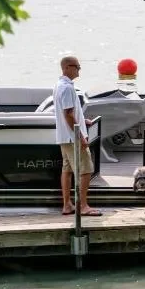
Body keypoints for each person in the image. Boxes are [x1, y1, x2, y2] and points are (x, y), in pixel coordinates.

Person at [54, 56, 100, 216]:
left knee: (67, 170)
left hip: (64, 137)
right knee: (85, 170)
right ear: (66, 67)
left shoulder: (59, 85)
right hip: (72, 137)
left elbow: (68, 112)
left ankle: (67, 204)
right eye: (77, 66)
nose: (79, 69)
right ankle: (83, 206)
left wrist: (82, 120)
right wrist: (80, 136)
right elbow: (68, 114)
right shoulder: (67, 88)